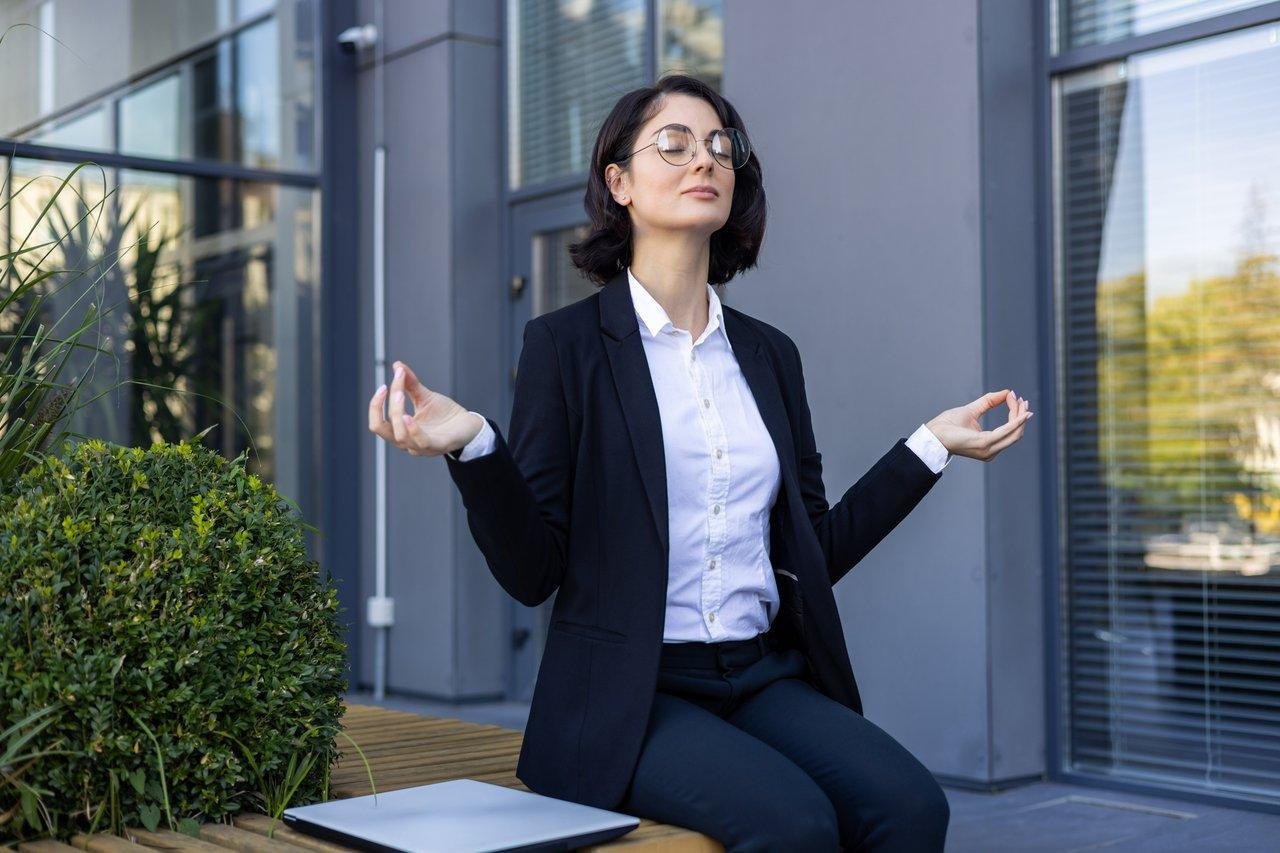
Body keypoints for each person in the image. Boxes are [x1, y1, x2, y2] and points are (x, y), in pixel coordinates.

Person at [368, 74, 1032, 853]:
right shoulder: (567, 347)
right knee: (793, 825)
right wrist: (475, 446)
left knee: (913, 806)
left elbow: (812, 554)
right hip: (632, 692)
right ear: (619, 183)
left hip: (760, 674)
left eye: (721, 146)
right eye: (675, 144)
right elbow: (533, 570)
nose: (706, 161)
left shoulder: (767, 355)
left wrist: (930, 446)